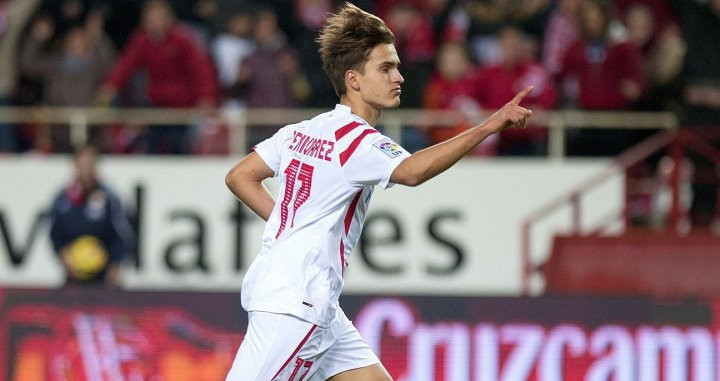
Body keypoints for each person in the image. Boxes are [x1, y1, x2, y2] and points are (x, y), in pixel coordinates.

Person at [223, 3, 532, 380]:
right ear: (353, 79)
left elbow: (240, 176)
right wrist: (489, 125)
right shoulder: (358, 141)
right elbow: (413, 171)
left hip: (301, 294)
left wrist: (293, 227)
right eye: (386, 68)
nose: (398, 77)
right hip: (296, 304)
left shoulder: (303, 130)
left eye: (397, 66)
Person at [97, 0, 217, 155]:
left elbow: (201, 71)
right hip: (155, 105)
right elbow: (126, 65)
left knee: (177, 148)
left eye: (157, 18)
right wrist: (110, 86)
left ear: (169, 18)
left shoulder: (183, 39)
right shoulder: (142, 40)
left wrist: (206, 98)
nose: (153, 23)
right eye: (150, 19)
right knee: (151, 148)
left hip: (181, 108)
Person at [48, 144, 135, 288]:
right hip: (74, 273)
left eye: (90, 165)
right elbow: (55, 233)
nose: (86, 170)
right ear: (75, 167)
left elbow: (122, 234)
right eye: (82, 165)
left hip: (104, 275)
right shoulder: (63, 199)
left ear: (96, 167)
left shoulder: (109, 198)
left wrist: (115, 264)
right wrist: (63, 256)